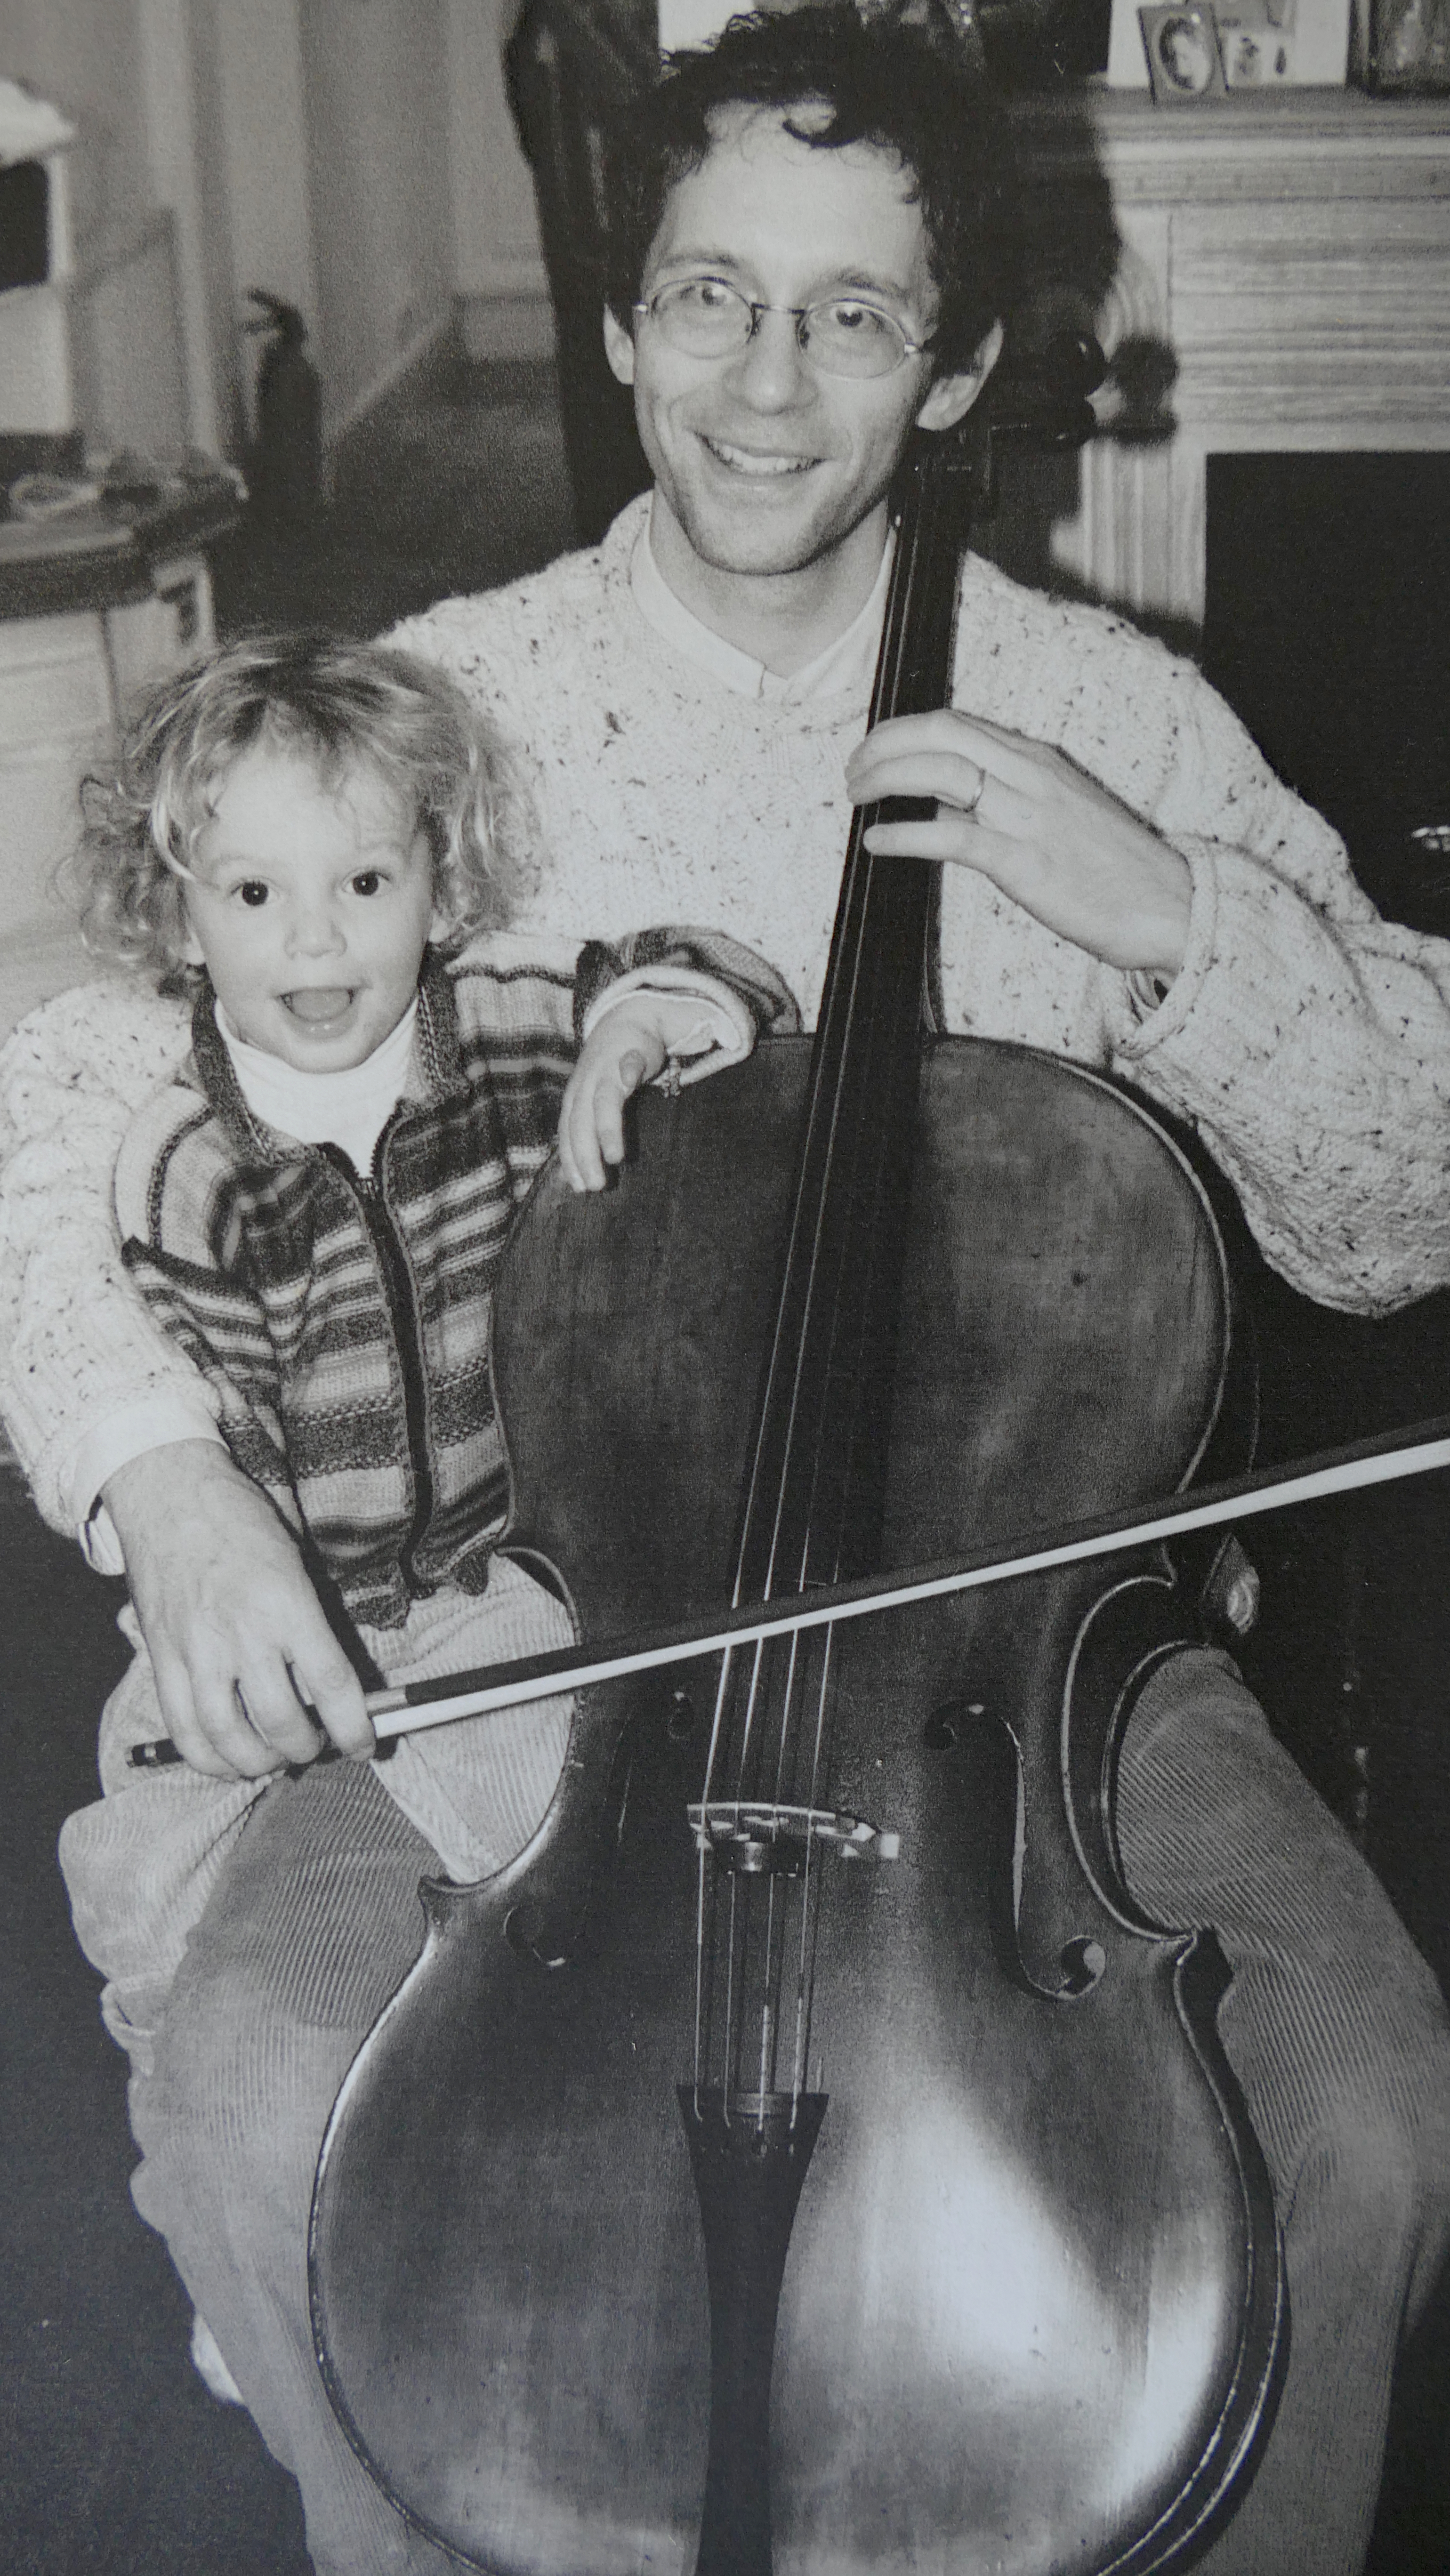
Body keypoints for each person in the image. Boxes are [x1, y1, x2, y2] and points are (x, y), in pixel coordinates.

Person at [1, 9, 1448, 2572]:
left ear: (966, 360)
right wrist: (167, 1476)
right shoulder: (460, 709)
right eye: (706, 296)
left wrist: (1164, 920)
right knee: (257, 2096)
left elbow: (1395, 1207)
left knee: (1352, 2115)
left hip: (1018, 1664)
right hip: (531, 1634)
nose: (763, 386)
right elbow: (77, 1070)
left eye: (853, 315)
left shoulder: (1117, 715)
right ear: (617, 321)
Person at [52, 630, 782, 2089]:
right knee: (141, 1898)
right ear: (181, 920)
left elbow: (714, 968)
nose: (314, 942)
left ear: (438, 887)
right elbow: (221, 1479)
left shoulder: (509, 1028)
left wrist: (645, 1022)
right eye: (255, 894)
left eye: (365, 885)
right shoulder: (183, 1171)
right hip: (296, 1595)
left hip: (500, 1583)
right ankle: (205, 2160)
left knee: (586, 1862)